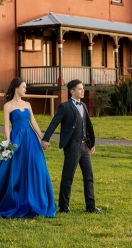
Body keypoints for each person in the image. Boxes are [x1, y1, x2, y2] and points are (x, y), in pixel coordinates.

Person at [0, 78, 56, 218]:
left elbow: (33, 122)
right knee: (14, 169)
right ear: (16, 88)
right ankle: (11, 198)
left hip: (31, 139)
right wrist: (8, 143)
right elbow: (6, 126)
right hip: (17, 139)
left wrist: (43, 138)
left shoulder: (27, 104)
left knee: (38, 167)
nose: (25, 89)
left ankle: (37, 200)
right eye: (23, 87)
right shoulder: (7, 106)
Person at [41, 79, 100, 214]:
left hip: (84, 147)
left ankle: (91, 206)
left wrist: (91, 143)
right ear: (72, 91)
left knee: (89, 176)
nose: (82, 91)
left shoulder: (83, 106)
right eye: (80, 89)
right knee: (68, 177)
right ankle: (64, 207)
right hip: (72, 146)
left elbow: (87, 126)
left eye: (83, 88)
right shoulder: (65, 106)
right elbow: (54, 123)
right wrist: (45, 139)